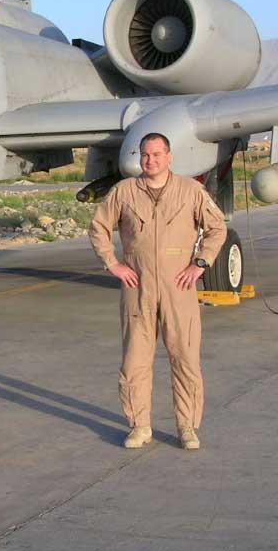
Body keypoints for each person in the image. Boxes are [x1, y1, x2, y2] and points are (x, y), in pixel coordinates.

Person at [89, 132, 227, 450]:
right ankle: (139, 426)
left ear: (169, 157)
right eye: (145, 155)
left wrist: (200, 264)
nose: (150, 161)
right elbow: (98, 226)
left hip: (179, 286)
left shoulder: (190, 191)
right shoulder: (124, 192)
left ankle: (187, 427)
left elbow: (216, 227)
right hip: (138, 288)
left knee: (185, 359)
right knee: (135, 362)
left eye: (157, 154)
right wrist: (113, 264)